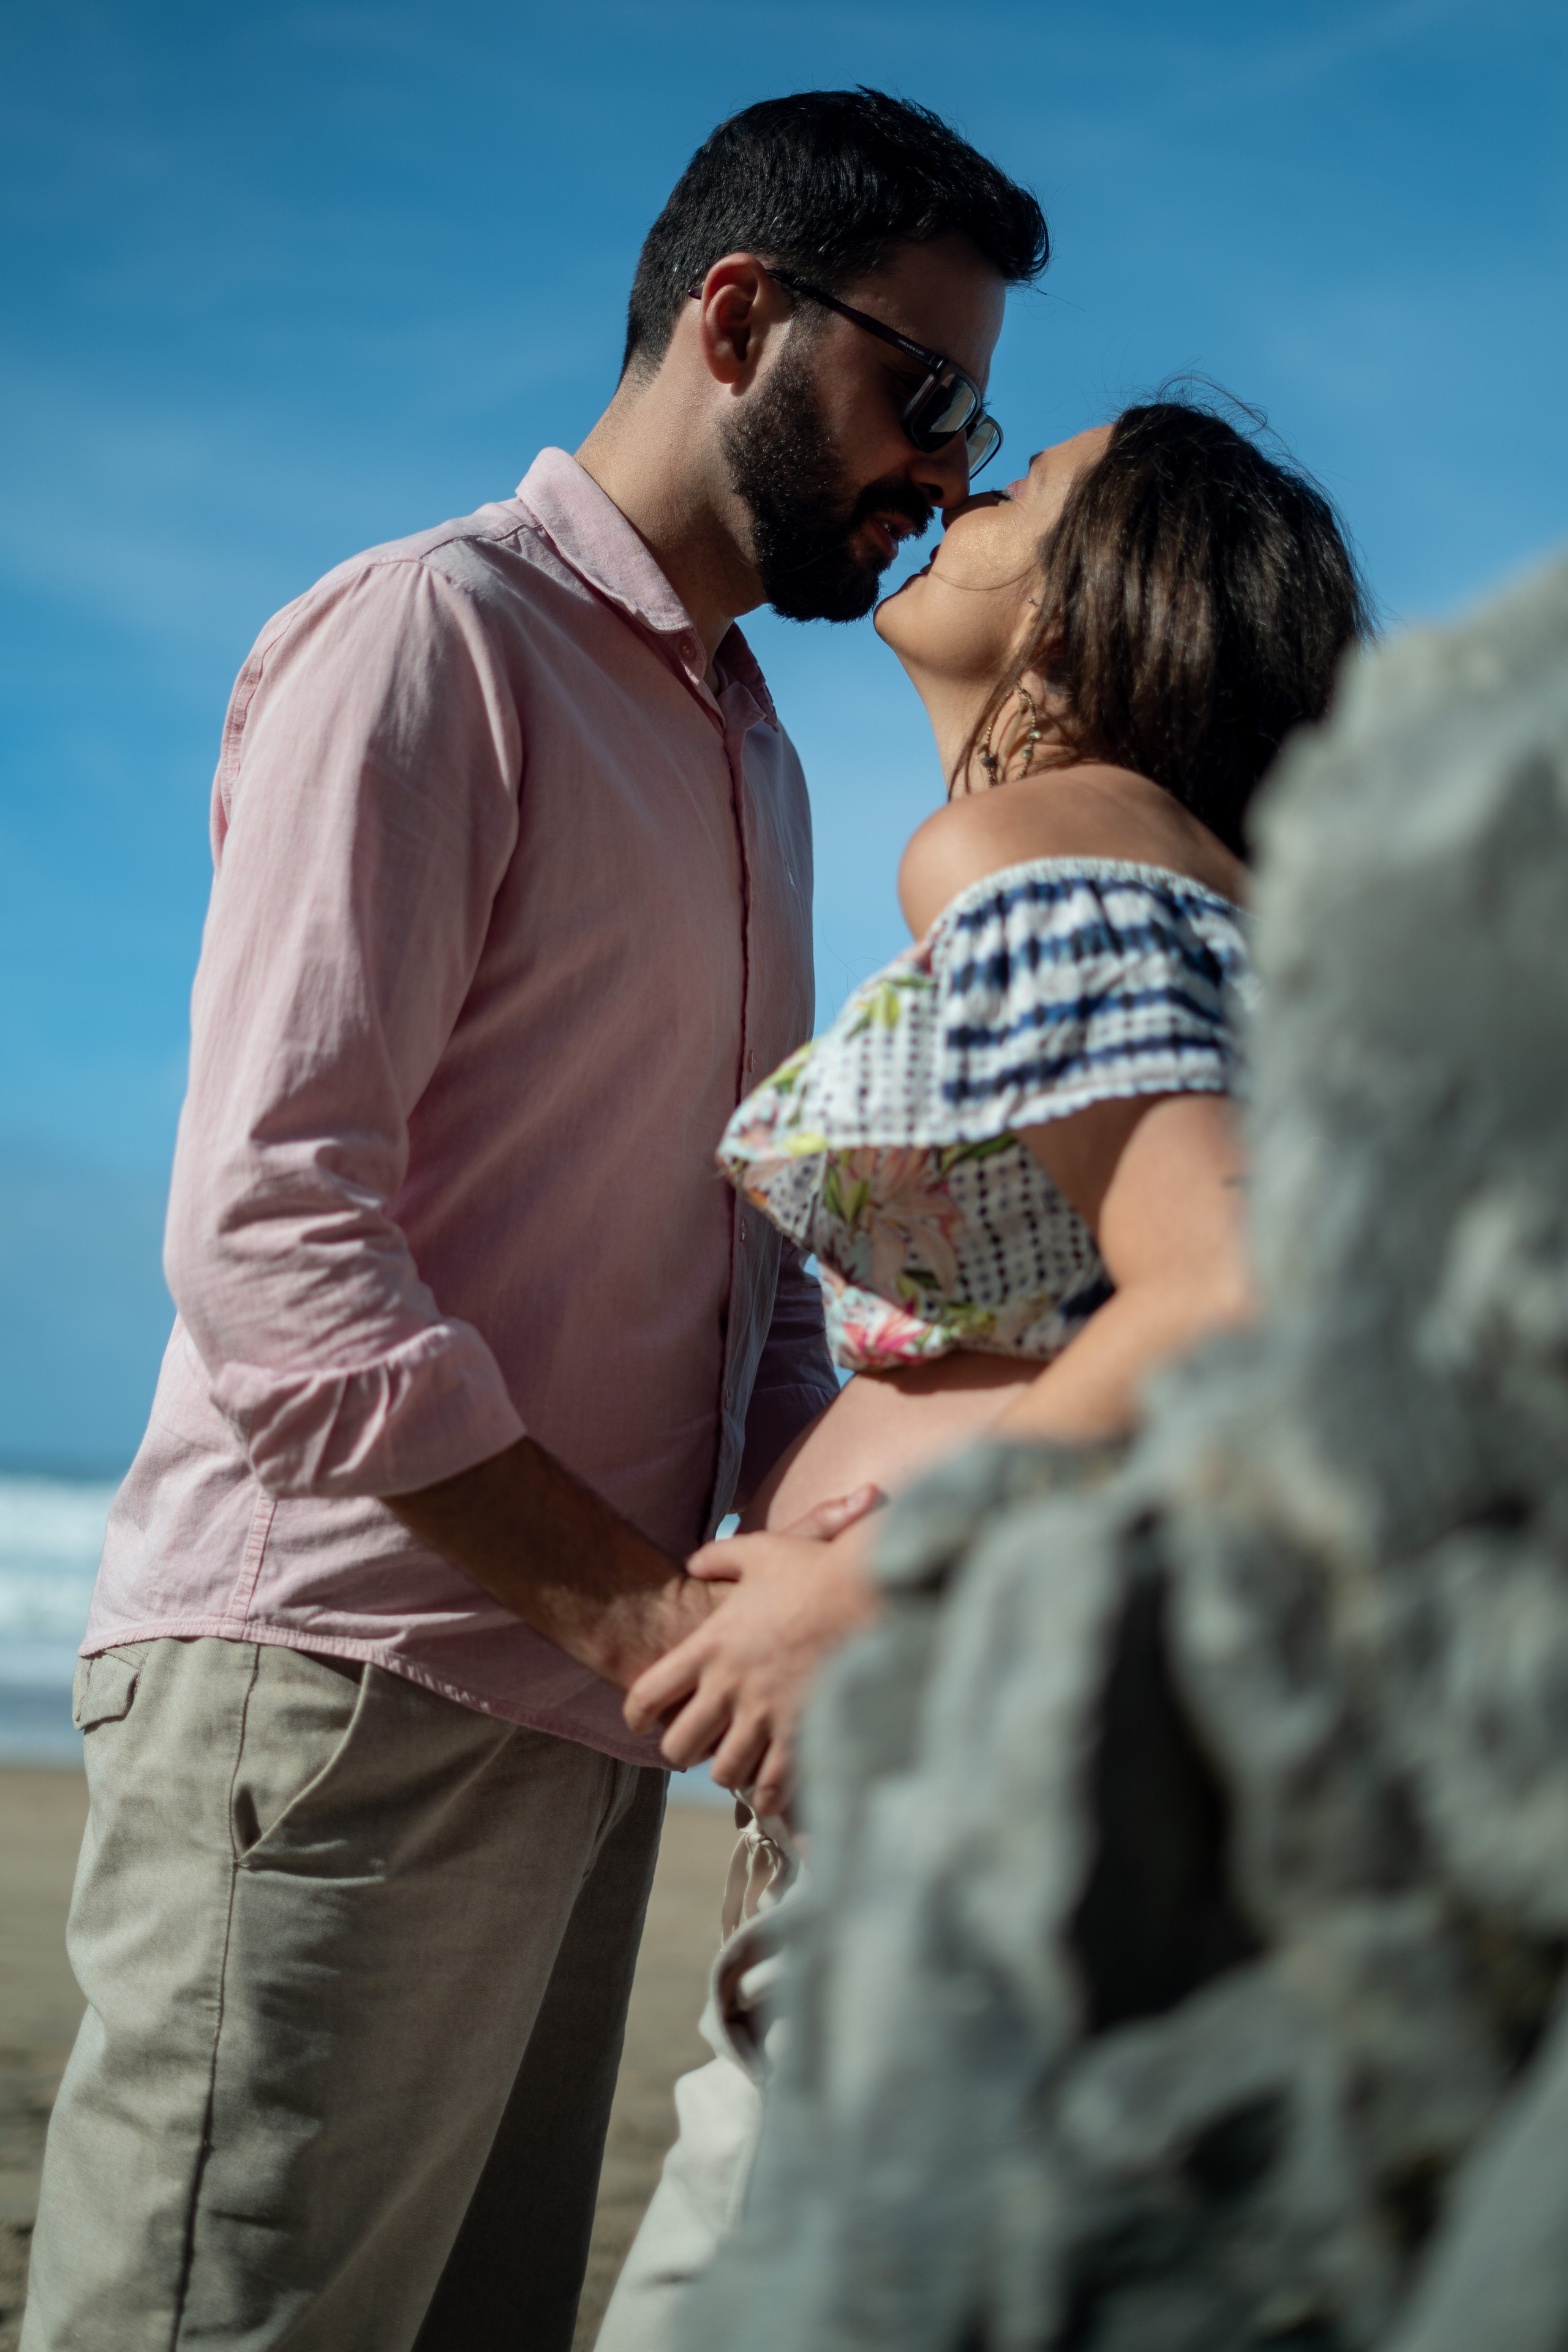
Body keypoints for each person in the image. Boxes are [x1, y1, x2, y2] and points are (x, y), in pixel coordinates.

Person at [21, 92, 1048, 2352]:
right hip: (341, 1685)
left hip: (589, 1715)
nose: (949, 471)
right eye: (924, 390)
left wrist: (842, 1569)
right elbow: (273, 1246)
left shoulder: (755, 747)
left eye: (977, 421)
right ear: (739, 317)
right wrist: (655, 1623)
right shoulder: (431, 636)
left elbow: (747, 1289)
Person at [598, 394, 1370, 2349]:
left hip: (967, 1736)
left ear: (1111, 595)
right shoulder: (1220, 902)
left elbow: (1230, 1287)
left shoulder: (1031, 838)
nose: (969, 485)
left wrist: (870, 1583)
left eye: (1031, 485)